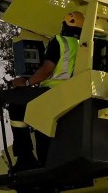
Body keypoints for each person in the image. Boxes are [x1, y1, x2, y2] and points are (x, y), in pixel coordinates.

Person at [5, 11, 83, 171]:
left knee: (16, 105)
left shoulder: (59, 42)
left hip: (53, 92)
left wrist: (26, 82)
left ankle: (25, 157)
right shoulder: (84, 45)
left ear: (65, 25)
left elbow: (47, 69)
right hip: (74, 94)